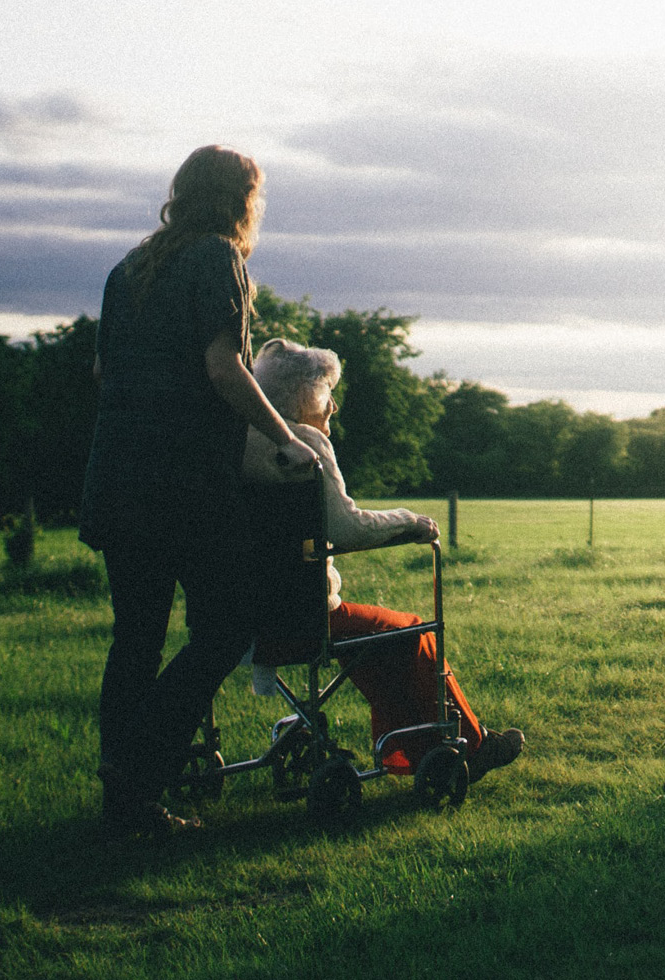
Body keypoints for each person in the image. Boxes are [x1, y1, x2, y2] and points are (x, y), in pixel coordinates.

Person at [78, 147, 318, 838]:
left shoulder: (128, 269)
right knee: (225, 627)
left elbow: (104, 369)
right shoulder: (218, 259)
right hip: (181, 484)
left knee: (137, 638)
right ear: (240, 199)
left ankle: (124, 799)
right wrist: (285, 438)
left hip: (117, 476)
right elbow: (224, 367)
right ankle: (140, 770)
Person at [243, 338, 524, 782]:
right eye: (326, 393)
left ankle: (410, 752)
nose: (333, 405)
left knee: (378, 639)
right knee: (410, 630)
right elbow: (347, 528)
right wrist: (408, 521)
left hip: (243, 619)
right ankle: (469, 744)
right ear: (302, 396)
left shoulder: (241, 442)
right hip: (303, 618)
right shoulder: (304, 444)